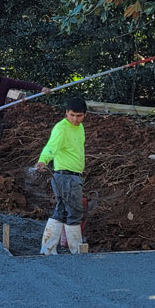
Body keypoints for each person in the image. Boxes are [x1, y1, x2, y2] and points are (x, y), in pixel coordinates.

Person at [35, 96, 88, 255]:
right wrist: (43, 160)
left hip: (72, 176)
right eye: (72, 115)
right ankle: (76, 251)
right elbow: (51, 146)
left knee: (62, 210)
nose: (75, 119)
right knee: (74, 212)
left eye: (79, 116)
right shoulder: (61, 128)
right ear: (66, 113)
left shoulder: (80, 127)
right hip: (65, 177)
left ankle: (48, 250)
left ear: (85, 115)